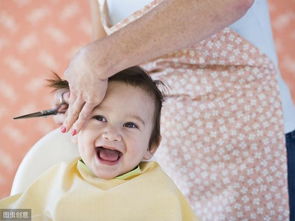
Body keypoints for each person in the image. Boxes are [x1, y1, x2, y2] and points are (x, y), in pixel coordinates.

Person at [55, 0, 293, 219]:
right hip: (173, 162)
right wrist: (79, 95)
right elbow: (112, 70)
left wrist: (95, 60)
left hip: (252, 151)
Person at [0, 67, 198, 221]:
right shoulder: (58, 182)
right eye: (100, 118)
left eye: (130, 124)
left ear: (151, 146)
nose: (112, 134)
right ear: (75, 127)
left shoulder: (161, 194)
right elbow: (18, 214)